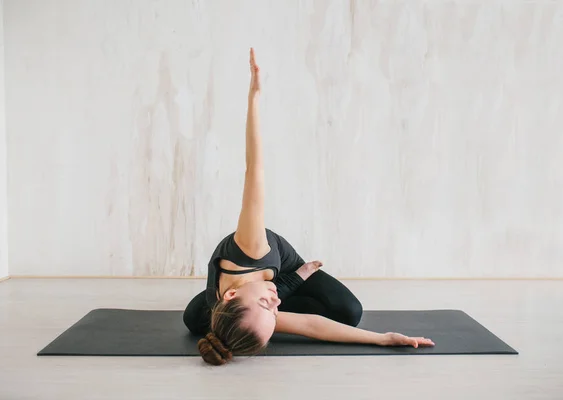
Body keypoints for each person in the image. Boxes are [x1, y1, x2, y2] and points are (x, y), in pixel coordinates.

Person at [183, 48, 435, 365]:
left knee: (347, 309)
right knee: (346, 315)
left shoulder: (249, 246)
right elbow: (310, 324)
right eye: (275, 313)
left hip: (278, 264)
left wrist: (254, 97)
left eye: (267, 305)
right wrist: (383, 338)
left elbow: (254, 169)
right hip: (257, 289)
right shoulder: (256, 310)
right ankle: (286, 285)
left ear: (231, 295)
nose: (275, 304)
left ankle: (285, 281)